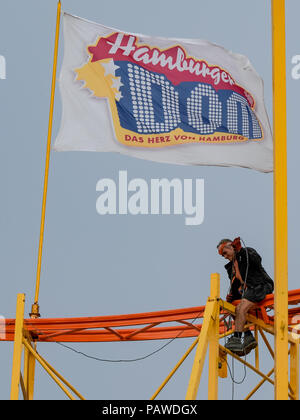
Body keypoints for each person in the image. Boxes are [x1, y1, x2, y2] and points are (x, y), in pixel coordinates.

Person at [217, 237, 274, 356]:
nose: (225, 257)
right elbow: (236, 285)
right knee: (232, 307)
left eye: (225, 253)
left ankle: (237, 338)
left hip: (260, 285)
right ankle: (248, 336)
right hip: (249, 292)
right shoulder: (231, 268)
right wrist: (230, 298)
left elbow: (257, 260)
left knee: (241, 308)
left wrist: (241, 250)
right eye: (223, 256)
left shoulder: (246, 252)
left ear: (230, 247)